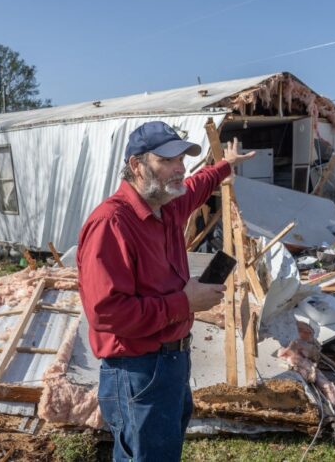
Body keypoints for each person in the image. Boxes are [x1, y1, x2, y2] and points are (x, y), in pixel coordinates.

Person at [77, 121, 254, 462]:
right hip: (137, 370)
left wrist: (225, 166)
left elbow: (198, 185)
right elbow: (106, 313)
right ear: (136, 165)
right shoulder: (112, 223)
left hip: (171, 362)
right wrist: (184, 303)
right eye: (168, 161)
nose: (179, 168)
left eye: (181, 160)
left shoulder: (168, 206)